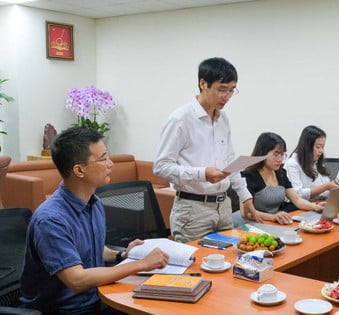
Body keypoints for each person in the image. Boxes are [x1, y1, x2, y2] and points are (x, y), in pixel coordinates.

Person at [20, 127, 169, 314]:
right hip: (66, 310)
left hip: (98, 299)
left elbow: (92, 249)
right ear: (79, 170)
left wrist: (121, 256)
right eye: (103, 158)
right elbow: (77, 280)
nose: (111, 163)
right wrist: (141, 264)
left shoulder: (93, 202)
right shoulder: (50, 220)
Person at [153, 57, 262, 243]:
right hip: (193, 210)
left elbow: (230, 161)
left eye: (231, 90)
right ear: (203, 83)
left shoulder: (223, 119)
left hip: (223, 206)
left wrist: (245, 197)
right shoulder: (180, 119)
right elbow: (161, 167)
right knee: (196, 268)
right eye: (222, 89)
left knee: (229, 263)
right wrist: (202, 174)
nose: (226, 96)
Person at [238, 132, 325, 225]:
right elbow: (245, 213)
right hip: (255, 223)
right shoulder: (249, 175)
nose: (280, 159)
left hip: (276, 222)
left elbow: (297, 200)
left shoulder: (280, 173)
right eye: (276, 154)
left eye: (282, 154)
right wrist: (273, 217)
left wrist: (315, 206)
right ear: (262, 153)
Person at [284, 125, 339, 201]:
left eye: (323, 147)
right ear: (307, 146)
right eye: (318, 147)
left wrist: (334, 186)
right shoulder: (292, 164)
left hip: (321, 203)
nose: (321, 151)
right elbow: (297, 195)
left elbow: (324, 190)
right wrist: (326, 187)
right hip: (302, 208)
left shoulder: (316, 161)